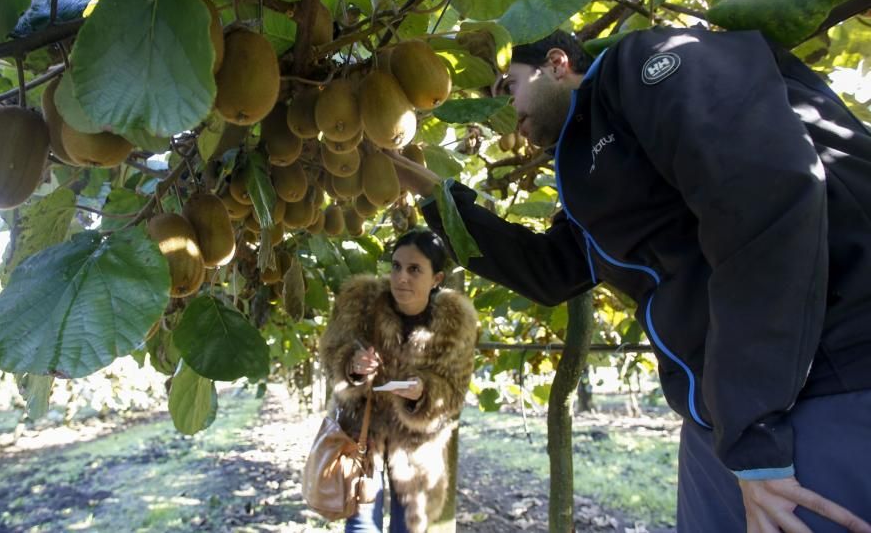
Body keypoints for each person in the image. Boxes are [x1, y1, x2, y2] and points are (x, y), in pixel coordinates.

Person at [388, 27, 871, 532]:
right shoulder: (587, 173)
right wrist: (421, 185)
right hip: (724, 418)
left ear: (556, 63)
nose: (503, 117)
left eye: (506, 87)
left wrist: (754, 429)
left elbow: (762, 193)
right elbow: (548, 270)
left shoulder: (644, 63)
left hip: (821, 381)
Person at [319, 229, 478, 533]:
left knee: (409, 527)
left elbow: (455, 393)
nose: (401, 277)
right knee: (362, 525)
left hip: (418, 447)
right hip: (361, 437)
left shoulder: (455, 322)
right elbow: (330, 356)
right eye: (396, 266)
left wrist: (423, 392)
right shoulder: (360, 303)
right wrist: (352, 366)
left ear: (437, 279)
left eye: (414, 269)